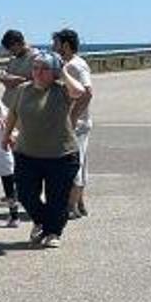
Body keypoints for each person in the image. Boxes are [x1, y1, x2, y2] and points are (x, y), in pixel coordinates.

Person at [2, 50, 86, 248]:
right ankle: (41, 221)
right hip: (27, 153)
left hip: (61, 155)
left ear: (54, 72)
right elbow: (13, 114)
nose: (38, 73)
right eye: (35, 68)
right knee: (25, 194)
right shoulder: (23, 89)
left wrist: (63, 71)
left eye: (45, 69)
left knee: (57, 198)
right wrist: (6, 135)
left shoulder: (62, 90)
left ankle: (53, 232)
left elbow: (80, 92)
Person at [53, 28, 94, 219]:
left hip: (77, 126)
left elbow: (87, 93)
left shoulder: (77, 66)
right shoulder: (65, 65)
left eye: (56, 43)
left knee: (74, 164)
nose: (54, 47)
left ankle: (71, 207)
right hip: (67, 124)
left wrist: (72, 118)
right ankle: (79, 203)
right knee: (75, 163)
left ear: (66, 45)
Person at [0, 29, 35, 113]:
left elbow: (41, 82)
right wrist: (2, 76)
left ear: (19, 43)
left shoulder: (35, 57)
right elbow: (7, 74)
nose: (11, 53)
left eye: (12, 50)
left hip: (25, 108)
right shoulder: (14, 58)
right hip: (8, 106)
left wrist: (19, 80)